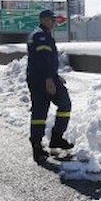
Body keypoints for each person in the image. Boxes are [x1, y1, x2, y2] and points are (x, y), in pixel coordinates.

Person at [27, 10, 74, 164]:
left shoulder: (41, 34)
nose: (55, 23)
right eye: (53, 20)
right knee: (40, 111)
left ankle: (56, 138)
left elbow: (46, 60)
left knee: (64, 104)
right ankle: (37, 145)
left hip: (45, 77)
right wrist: (49, 79)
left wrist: (54, 76)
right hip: (41, 80)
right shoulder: (41, 36)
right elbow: (42, 59)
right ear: (46, 20)